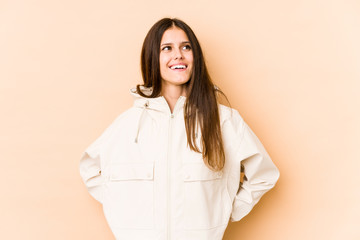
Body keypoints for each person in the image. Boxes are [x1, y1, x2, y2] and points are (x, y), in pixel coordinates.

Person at [79, 17, 280, 240]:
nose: (178, 55)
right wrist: (125, 213)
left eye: (186, 47)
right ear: (153, 58)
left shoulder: (223, 120)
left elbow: (264, 174)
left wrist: (223, 211)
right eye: (167, 48)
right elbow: (89, 169)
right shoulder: (127, 124)